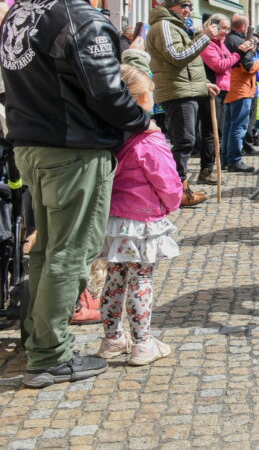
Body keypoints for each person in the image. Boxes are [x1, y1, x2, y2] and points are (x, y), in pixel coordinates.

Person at [0, 0, 151, 388]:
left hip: (30, 145)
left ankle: (37, 338)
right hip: (73, 150)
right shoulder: (78, 15)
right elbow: (106, 92)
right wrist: (143, 120)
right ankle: (50, 356)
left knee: (46, 250)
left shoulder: (20, 11)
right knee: (72, 252)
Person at [96, 64, 181, 366]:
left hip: (114, 219)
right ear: (139, 99)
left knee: (115, 278)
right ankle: (143, 343)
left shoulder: (110, 135)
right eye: (150, 92)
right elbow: (168, 183)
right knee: (141, 280)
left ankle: (112, 338)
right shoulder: (150, 141)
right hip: (142, 219)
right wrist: (172, 204)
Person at [145, 0, 221, 206]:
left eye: (190, 6)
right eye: (183, 6)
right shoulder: (165, 25)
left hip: (185, 89)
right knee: (184, 141)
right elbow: (178, 57)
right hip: (177, 92)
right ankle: (177, 189)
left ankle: (179, 187)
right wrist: (204, 37)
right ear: (170, 6)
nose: (188, 10)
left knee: (185, 140)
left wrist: (204, 84)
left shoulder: (175, 26)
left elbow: (184, 64)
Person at [198, 13, 247, 184]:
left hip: (223, 90)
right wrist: (239, 53)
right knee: (212, 132)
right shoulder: (207, 44)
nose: (226, 32)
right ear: (213, 26)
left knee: (217, 130)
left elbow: (227, 61)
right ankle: (206, 170)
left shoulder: (221, 44)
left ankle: (210, 167)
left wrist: (232, 57)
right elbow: (219, 65)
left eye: (227, 28)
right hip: (211, 90)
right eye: (223, 28)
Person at [223, 40, 259, 172]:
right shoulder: (242, 49)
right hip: (241, 91)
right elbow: (248, 67)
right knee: (238, 127)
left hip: (231, 90)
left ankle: (226, 159)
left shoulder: (229, 44)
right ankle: (234, 161)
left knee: (229, 127)